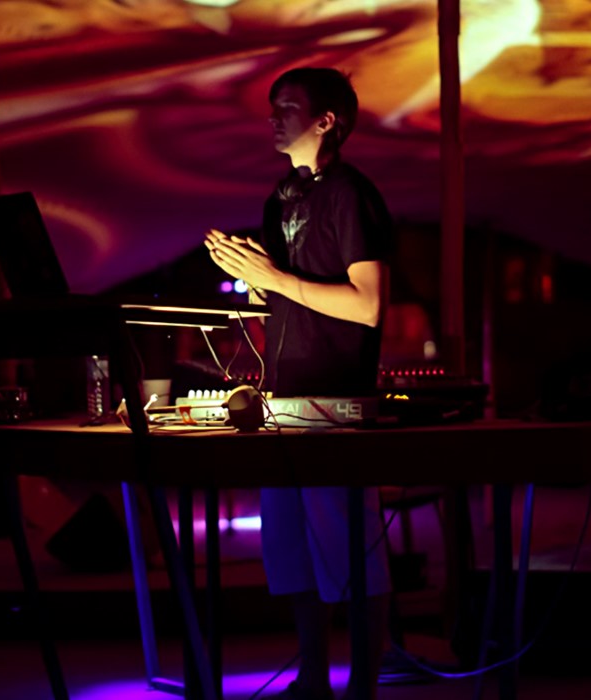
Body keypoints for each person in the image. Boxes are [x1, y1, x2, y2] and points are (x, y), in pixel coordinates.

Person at [205, 66, 395, 700]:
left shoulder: (350, 195)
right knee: (292, 555)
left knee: (350, 552)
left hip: (336, 401)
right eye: (273, 106)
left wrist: (276, 279)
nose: (272, 116)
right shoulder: (281, 198)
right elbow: (288, 296)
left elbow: (368, 305)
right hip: (285, 400)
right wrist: (254, 277)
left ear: (325, 121)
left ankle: (362, 686)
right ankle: (313, 679)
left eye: (287, 106)